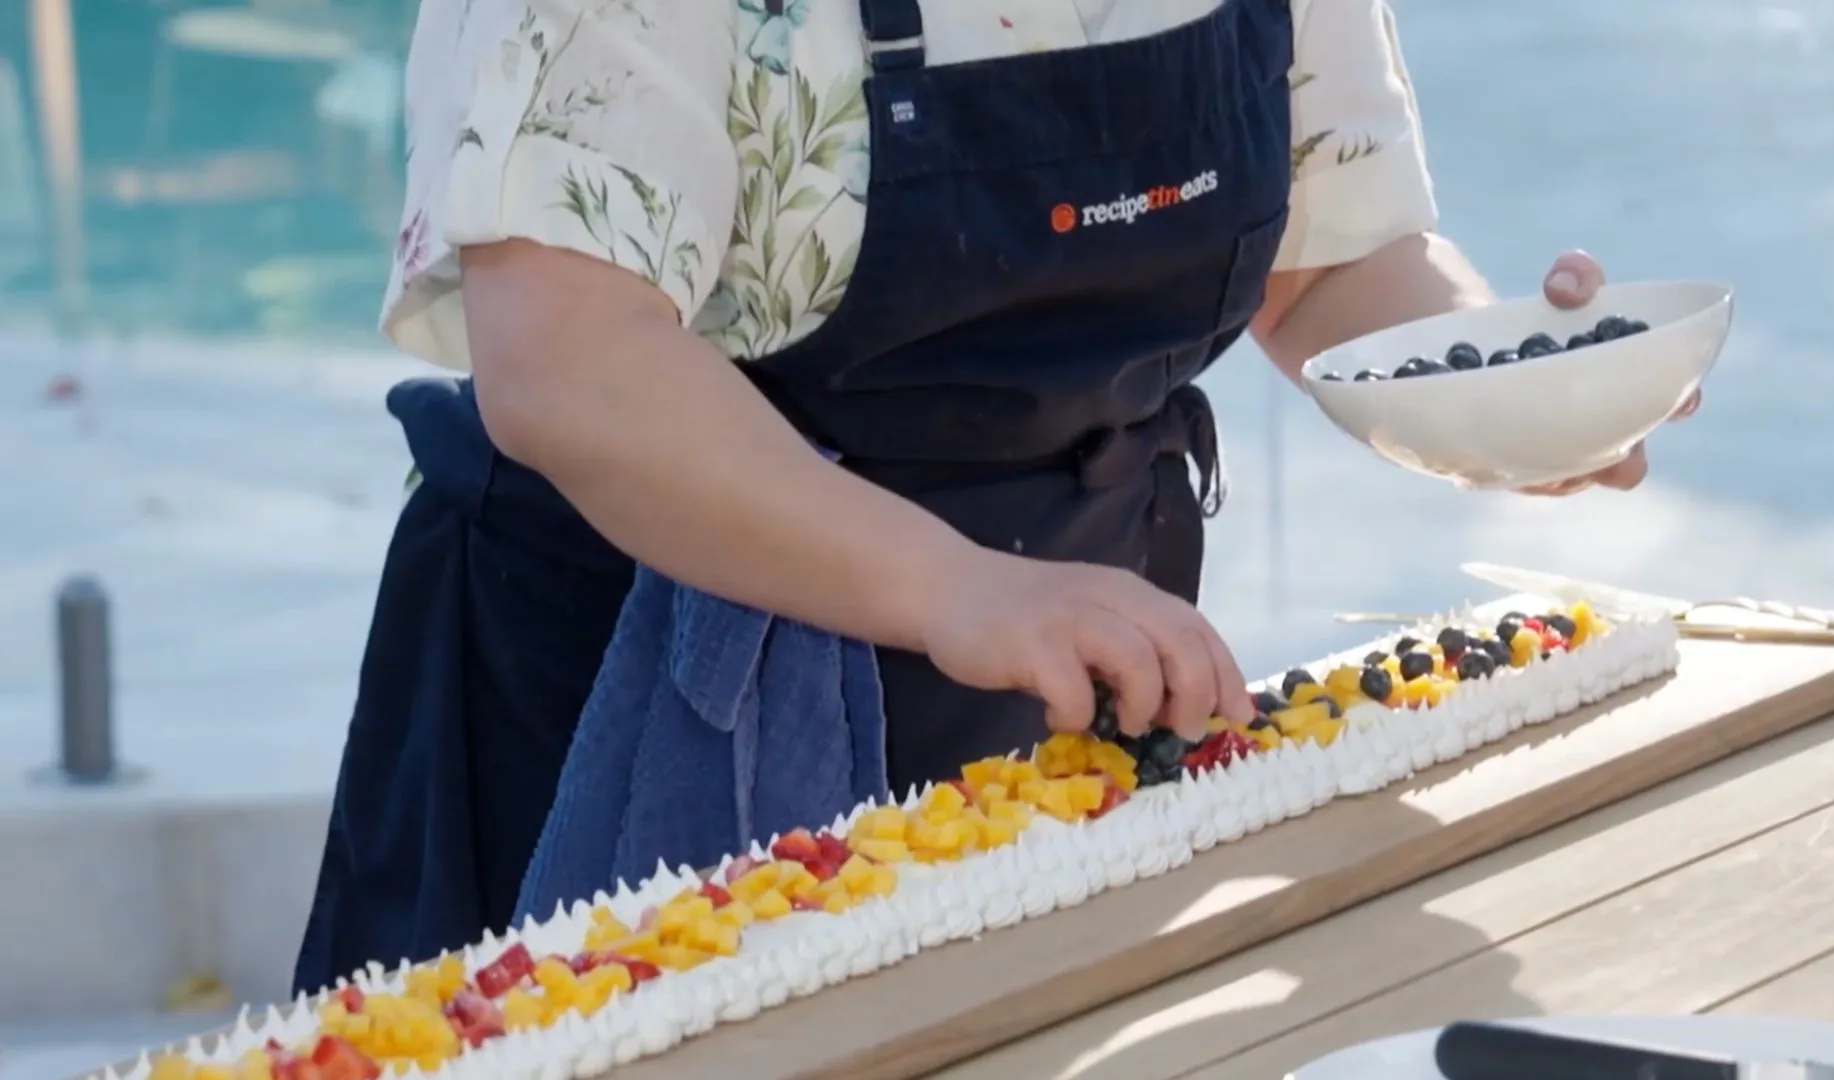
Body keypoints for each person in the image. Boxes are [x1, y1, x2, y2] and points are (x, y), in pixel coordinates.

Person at [293, 0, 1698, 991]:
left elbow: (1326, 264)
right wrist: (959, 585)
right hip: (622, 712)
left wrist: (1510, 387)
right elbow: (569, 365)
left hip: (1059, 718)